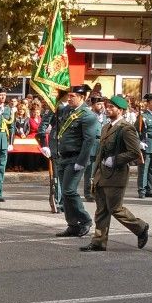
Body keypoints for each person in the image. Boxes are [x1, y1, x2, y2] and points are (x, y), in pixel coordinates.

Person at [80, 95, 150, 252]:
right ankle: (99, 242)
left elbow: (134, 152)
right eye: (108, 106)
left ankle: (140, 227)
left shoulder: (126, 128)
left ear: (121, 110)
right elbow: (99, 154)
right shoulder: (106, 127)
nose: (108, 109)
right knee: (101, 210)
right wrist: (95, 172)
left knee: (115, 209)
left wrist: (116, 159)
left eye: (112, 107)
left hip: (116, 175)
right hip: (102, 174)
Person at [52, 85, 99, 237]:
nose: (69, 98)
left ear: (82, 97)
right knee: (65, 193)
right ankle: (72, 224)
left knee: (69, 190)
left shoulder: (87, 115)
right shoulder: (67, 110)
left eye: (72, 96)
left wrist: (82, 161)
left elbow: (88, 140)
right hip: (63, 156)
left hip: (76, 158)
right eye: (69, 95)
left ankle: (85, 220)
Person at [83, 95, 107, 201]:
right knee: (90, 171)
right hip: (92, 144)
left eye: (102, 104)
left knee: (100, 171)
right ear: (93, 105)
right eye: (98, 104)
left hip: (102, 144)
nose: (101, 106)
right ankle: (88, 193)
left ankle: (97, 191)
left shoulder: (105, 116)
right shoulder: (89, 115)